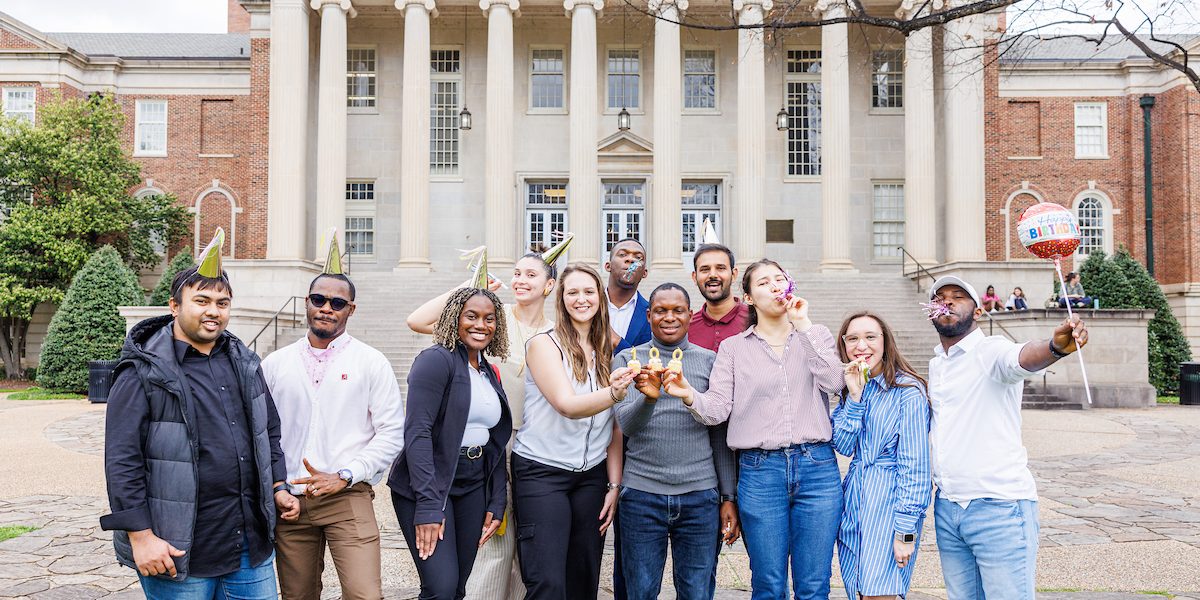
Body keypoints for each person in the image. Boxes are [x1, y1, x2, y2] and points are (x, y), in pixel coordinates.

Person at [100, 229, 292, 599]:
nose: (213, 311)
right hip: (176, 551)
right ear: (175, 306)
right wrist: (141, 538)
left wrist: (278, 486)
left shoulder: (246, 364)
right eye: (202, 300)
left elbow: (268, 434)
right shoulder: (142, 371)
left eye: (222, 303)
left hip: (247, 547)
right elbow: (122, 459)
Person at [664, 259, 845, 600]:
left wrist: (803, 324)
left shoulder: (815, 335)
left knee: (814, 584)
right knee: (768, 583)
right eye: (764, 282)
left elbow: (834, 382)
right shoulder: (734, 348)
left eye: (780, 278)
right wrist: (689, 394)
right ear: (747, 297)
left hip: (817, 469)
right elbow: (717, 410)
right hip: (761, 472)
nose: (775, 286)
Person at [405, 236, 572, 600]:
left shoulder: (557, 333)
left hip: (533, 448)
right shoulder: (489, 317)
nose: (520, 280)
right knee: (491, 547)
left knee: (523, 548)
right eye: (516, 273)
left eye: (531, 274)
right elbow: (417, 321)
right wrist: (470, 287)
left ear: (550, 285)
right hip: (486, 445)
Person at [925, 276, 1088, 600]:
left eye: (959, 296)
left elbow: (1021, 357)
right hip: (948, 507)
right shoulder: (937, 364)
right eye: (941, 297)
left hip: (998, 507)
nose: (948, 301)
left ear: (979, 311)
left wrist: (1055, 347)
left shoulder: (990, 351)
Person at [263, 234, 405, 600]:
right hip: (290, 501)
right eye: (318, 299)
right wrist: (278, 487)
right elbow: (259, 432)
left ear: (350, 309)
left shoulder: (371, 362)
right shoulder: (275, 364)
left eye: (337, 302)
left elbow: (391, 433)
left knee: (364, 595)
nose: (326, 307)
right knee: (297, 596)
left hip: (348, 496)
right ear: (307, 303)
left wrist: (345, 475)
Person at [513, 264, 637, 600]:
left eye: (588, 291)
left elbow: (613, 424)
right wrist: (613, 392)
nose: (581, 299)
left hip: (592, 476)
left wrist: (613, 484)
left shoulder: (608, 350)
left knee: (584, 579)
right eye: (572, 292)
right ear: (561, 297)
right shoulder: (544, 344)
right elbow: (566, 404)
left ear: (600, 297)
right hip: (541, 472)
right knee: (548, 582)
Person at [612, 283, 737, 600]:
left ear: (690, 315)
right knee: (640, 591)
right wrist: (649, 399)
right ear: (648, 314)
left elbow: (719, 433)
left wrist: (727, 496)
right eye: (661, 310)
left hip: (699, 496)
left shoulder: (711, 361)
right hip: (641, 494)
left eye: (677, 310)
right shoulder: (629, 359)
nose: (669, 317)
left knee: (696, 591)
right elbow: (626, 425)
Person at [388, 286, 513, 600]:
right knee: (440, 589)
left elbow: (494, 441)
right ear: (454, 319)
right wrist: (429, 506)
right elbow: (417, 433)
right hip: (429, 485)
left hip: (473, 484)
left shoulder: (488, 372)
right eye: (471, 316)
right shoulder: (435, 360)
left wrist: (497, 500)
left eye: (489, 318)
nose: (480, 325)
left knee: (456, 589)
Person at [831, 311, 931, 600]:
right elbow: (843, 445)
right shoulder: (854, 389)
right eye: (853, 339)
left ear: (885, 342)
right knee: (860, 590)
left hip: (889, 503)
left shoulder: (908, 392)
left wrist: (905, 531)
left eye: (870, 337)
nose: (861, 346)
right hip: (855, 501)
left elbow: (916, 467)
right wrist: (855, 397)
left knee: (880, 594)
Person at [686, 242, 746, 573]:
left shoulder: (755, 320)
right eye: (705, 269)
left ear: (734, 274)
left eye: (720, 268)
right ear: (694, 276)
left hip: (752, 453)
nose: (713, 275)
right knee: (701, 564)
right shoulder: (686, 326)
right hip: (704, 454)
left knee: (767, 567)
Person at [606, 238, 652, 354]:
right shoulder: (586, 307)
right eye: (622, 254)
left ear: (644, 273)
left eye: (638, 257)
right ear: (608, 266)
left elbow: (649, 361)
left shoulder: (652, 316)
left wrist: (617, 341)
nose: (630, 259)